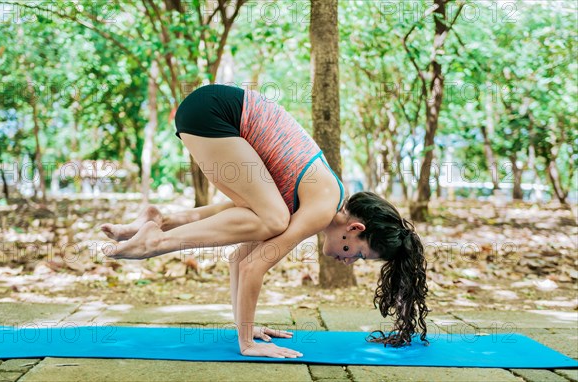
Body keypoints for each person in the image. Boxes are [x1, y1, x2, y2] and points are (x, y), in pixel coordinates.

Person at [101, 84, 428, 359]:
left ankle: (158, 221)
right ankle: (154, 242)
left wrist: (247, 325)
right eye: (358, 254)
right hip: (218, 111)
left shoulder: (312, 196)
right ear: (356, 229)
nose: (348, 261)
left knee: (263, 217)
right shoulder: (321, 208)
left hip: (210, 108)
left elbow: (239, 258)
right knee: (273, 220)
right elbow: (254, 268)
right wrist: (247, 344)